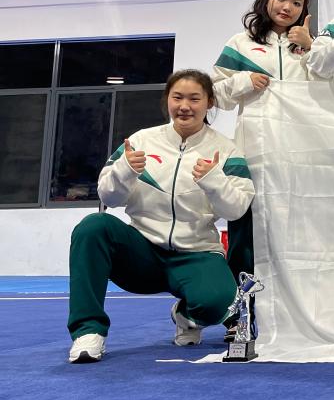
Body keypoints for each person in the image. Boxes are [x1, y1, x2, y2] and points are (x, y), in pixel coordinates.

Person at [67, 69, 255, 363]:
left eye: (194, 99)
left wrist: (214, 181)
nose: (185, 106)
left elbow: (237, 209)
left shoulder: (226, 150)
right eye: (177, 97)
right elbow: (108, 197)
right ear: (167, 100)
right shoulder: (141, 140)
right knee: (93, 227)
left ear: (209, 103)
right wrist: (124, 171)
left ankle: (186, 315)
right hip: (142, 254)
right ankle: (88, 331)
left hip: (196, 254)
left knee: (219, 304)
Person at [211, 0, 311, 302]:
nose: (287, 7)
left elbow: (328, 94)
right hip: (251, 154)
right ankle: (240, 310)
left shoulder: (309, 48)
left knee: (293, 233)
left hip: (296, 156)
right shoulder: (240, 44)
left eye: (296, 3)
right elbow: (214, 95)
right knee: (245, 235)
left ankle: (289, 307)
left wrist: (312, 47)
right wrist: (243, 82)